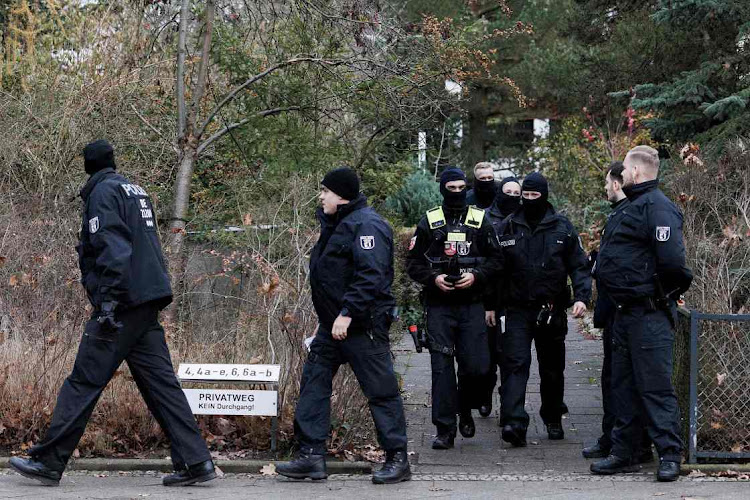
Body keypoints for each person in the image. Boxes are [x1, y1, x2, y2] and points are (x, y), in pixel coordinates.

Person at [9, 140, 215, 487]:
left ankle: (48, 460)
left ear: (87, 166)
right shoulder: (134, 190)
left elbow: (112, 249)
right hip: (146, 299)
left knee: (83, 382)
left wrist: (107, 303)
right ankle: (196, 461)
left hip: (120, 304)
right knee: (161, 385)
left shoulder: (103, 194)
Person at [276, 167, 410, 484]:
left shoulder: (367, 226)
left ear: (341, 195)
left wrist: (347, 312)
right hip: (332, 327)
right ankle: (311, 456)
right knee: (313, 383)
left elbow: (371, 276)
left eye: (326, 191)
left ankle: (397, 459)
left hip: (362, 325)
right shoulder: (339, 224)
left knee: (381, 391)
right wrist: (329, 319)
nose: (321, 196)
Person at [590, 146, 692, 482]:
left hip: (648, 314)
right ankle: (626, 452)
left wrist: (657, 293)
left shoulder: (658, 207)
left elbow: (675, 266)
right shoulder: (631, 207)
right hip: (625, 315)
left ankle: (668, 454)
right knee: (624, 386)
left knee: (655, 387)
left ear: (635, 172)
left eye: (627, 170)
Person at [406, 167, 503, 449]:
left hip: (472, 305)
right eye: (453, 188)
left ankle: (464, 407)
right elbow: (413, 263)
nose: (458, 193)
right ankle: (444, 429)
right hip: (440, 306)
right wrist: (433, 278)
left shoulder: (479, 219)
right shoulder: (430, 221)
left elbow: (497, 261)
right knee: (442, 369)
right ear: (443, 189)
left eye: (463, 187)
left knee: (478, 368)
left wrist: (477, 276)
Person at [495, 172, 591, 447]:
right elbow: (495, 269)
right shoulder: (508, 227)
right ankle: (514, 421)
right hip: (515, 309)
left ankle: (552, 416)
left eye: (534, 196)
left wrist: (582, 297)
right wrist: (492, 306)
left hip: (551, 309)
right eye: (525, 196)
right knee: (514, 364)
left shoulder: (562, 227)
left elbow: (579, 265)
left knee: (551, 369)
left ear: (544, 196)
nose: (528, 200)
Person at [583, 162, 652, 463]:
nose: (604, 188)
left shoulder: (631, 213)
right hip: (615, 308)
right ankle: (613, 438)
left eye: (606, 182)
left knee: (622, 380)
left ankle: (628, 444)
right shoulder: (621, 214)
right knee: (613, 377)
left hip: (625, 308)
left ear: (616, 183)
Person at [481, 176, 522, 417]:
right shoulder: (486, 218)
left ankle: (508, 406)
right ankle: (485, 395)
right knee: (487, 354)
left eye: (516, 192)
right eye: (508, 191)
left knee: (510, 355)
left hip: (514, 298)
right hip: (489, 296)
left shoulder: (523, 220)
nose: (512, 196)